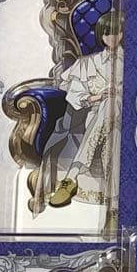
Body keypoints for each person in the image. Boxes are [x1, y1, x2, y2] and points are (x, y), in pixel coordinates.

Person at [47, 11, 122, 210]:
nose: (112, 37)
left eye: (116, 32)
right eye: (107, 33)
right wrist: (98, 97)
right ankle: (114, 207)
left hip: (126, 117)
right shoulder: (88, 63)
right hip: (95, 116)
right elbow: (74, 94)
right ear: (101, 35)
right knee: (112, 127)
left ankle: (72, 177)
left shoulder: (132, 64)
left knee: (113, 106)